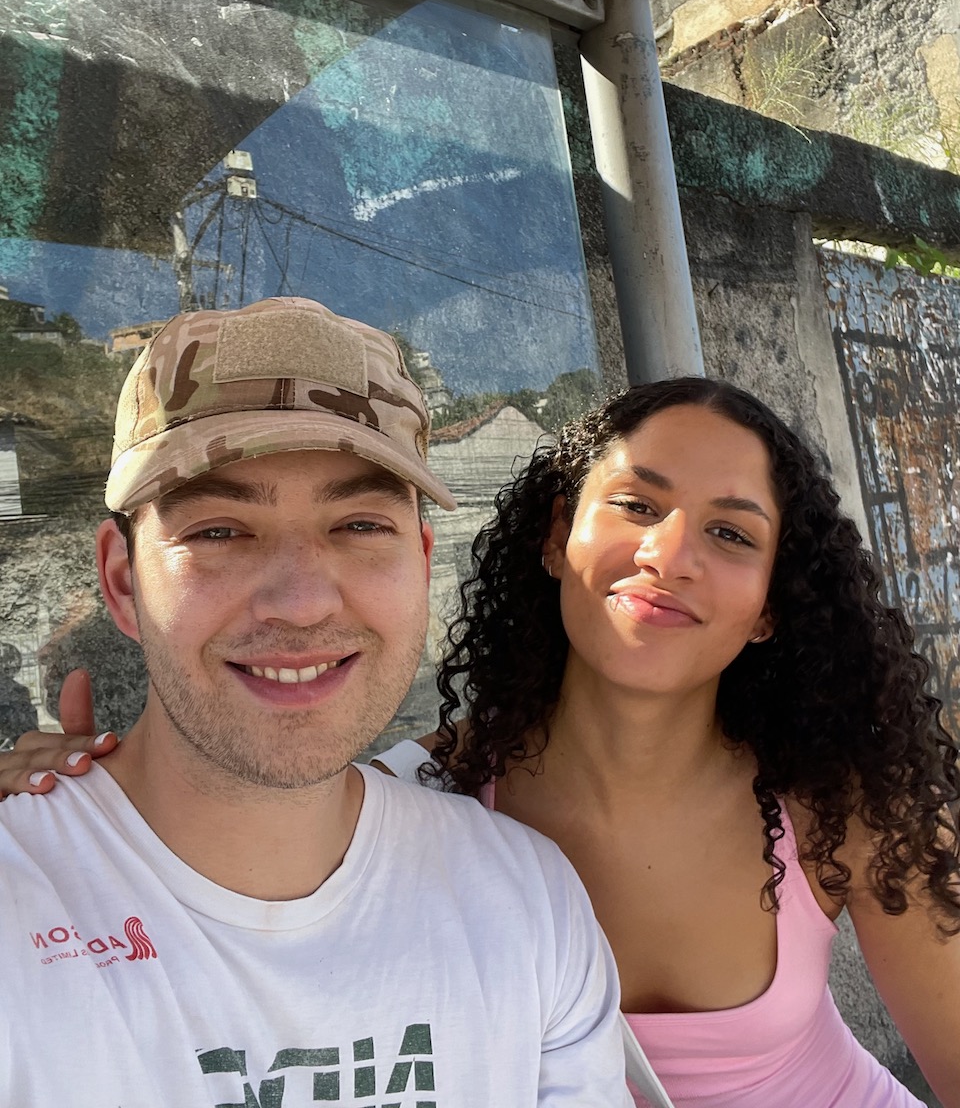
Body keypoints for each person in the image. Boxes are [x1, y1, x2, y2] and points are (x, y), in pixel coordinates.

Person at [7, 378, 960, 1105]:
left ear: (770, 608)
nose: (669, 555)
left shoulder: (843, 807)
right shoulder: (429, 794)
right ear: (556, 536)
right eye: (637, 505)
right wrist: (95, 798)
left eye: (733, 535)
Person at [0, 296, 631, 1107]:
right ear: (123, 582)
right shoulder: (21, 907)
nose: (301, 604)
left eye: (360, 526)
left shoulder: (527, 902)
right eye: (219, 531)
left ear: (422, 561)